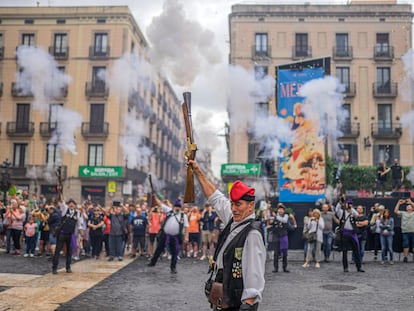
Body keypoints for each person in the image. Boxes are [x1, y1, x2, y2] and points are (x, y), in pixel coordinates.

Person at [189, 158, 266, 311]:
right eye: (231, 203)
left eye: (238, 204)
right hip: (224, 296)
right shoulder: (233, 218)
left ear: (250, 206)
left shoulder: (252, 234)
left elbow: (254, 274)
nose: (234, 208)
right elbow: (215, 197)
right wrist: (197, 170)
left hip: (237, 304)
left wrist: (248, 304)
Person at [148, 199, 189, 274]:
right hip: (165, 234)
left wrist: (186, 236)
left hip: (175, 236)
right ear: (174, 207)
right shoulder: (169, 211)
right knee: (159, 248)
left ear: (181, 208)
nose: (177, 208)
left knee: (175, 252)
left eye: (179, 207)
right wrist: (155, 197)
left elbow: (186, 227)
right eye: (176, 206)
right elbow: (160, 204)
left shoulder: (183, 216)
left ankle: (173, 267)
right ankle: (153, 262)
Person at [52, 198, 81, 274]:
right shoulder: (65, 210)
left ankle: (68, 267)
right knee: (58, 250)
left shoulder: (77, 213)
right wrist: (60, 191)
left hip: (70, 234)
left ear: (75, 205)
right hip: (62, 233)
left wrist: (80, 234)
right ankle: (54, 267)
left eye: (73, 203)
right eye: (70, 203)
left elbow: (78, 224)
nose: (71, 205)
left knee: (69, 251)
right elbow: (62, 201)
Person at [335, 198, 365, 273]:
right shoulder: (342, 212)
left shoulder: (352, 212)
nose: (349, 205)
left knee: (356, 250)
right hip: (345, 233)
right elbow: (337, 210)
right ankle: (345, 267)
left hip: (352, 233)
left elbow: (357, 215)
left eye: (350, 204)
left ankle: (359, 267)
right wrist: (340, 203)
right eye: (348, 204)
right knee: (344, 251)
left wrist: (351, 208)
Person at [268, 203, 290, 273]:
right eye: (279, 209)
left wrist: (276, 217)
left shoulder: (285, 216)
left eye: (282, 209)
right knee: (276, 253)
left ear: (284, 210)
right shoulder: (274, 216)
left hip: (283, 236)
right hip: (276, 236)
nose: (280, 210)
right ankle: (276, 268)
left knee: (284, 253)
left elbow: (284, 221)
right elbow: (270, 221)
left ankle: (284, 267)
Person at [394, 198, 414, 262]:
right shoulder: (403, 213)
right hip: (405, 231)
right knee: (406, 244)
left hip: (413, 231)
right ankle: (405, 257)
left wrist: (411, 202)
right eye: (407, 206)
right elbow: (396, 211)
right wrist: (398, 203)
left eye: (409, 206)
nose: (408, 207)